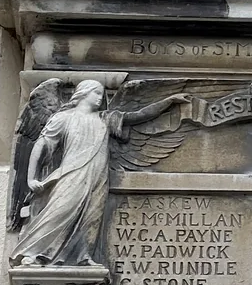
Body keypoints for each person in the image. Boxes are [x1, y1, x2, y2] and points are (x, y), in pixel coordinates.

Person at [13, 81, 187, 266]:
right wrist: (31, 177)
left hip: (98, 176)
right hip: (73, 173)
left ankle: (83, 256)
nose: (99, 98)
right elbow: (42, 145)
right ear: (83, 93)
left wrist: (169, 101)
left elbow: (139, 115)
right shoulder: (64, 118)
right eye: (96, 93)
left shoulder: (105, 118)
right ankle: (33, 252)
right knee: (60, 211)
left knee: (92, 217)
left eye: (100, 93)